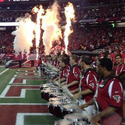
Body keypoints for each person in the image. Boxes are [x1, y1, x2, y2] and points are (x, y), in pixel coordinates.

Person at [80, 58, 123, 125]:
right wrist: (85, 104)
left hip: (112, 121)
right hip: (103, 119)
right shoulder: (103, 79)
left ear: (104, 68)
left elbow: (115, 106)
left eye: (98, 66)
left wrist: (98, 116)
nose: (96, 68)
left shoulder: (114, 82)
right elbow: (98, 97)